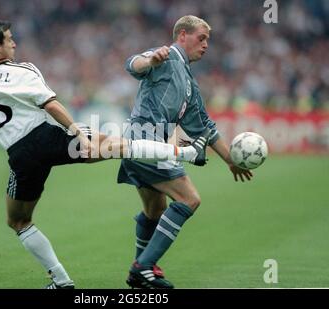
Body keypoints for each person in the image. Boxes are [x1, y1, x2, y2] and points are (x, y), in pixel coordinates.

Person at [0, 20, 210, 289]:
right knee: (115, 144)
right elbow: (50, 105)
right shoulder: (23, 70)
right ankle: (184, 152)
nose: (15, 42)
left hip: (20, 154)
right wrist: (79, 132)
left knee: (19, 221)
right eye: (9, 39)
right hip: (47, 138)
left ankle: (61, 281)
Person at [118, 15, 253, 289]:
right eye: (201, 38)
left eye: (207, 41)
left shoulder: (189, 83)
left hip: (141, 147)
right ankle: (143, 266)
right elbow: (133, 64)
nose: (205, 45)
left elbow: (206, 128)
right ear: (182, 35)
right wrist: (151, 60)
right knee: (190, 199)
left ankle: (141, 272)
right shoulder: (165, 56)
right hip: (147, 143)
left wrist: (231, 161)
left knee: (155, 210)